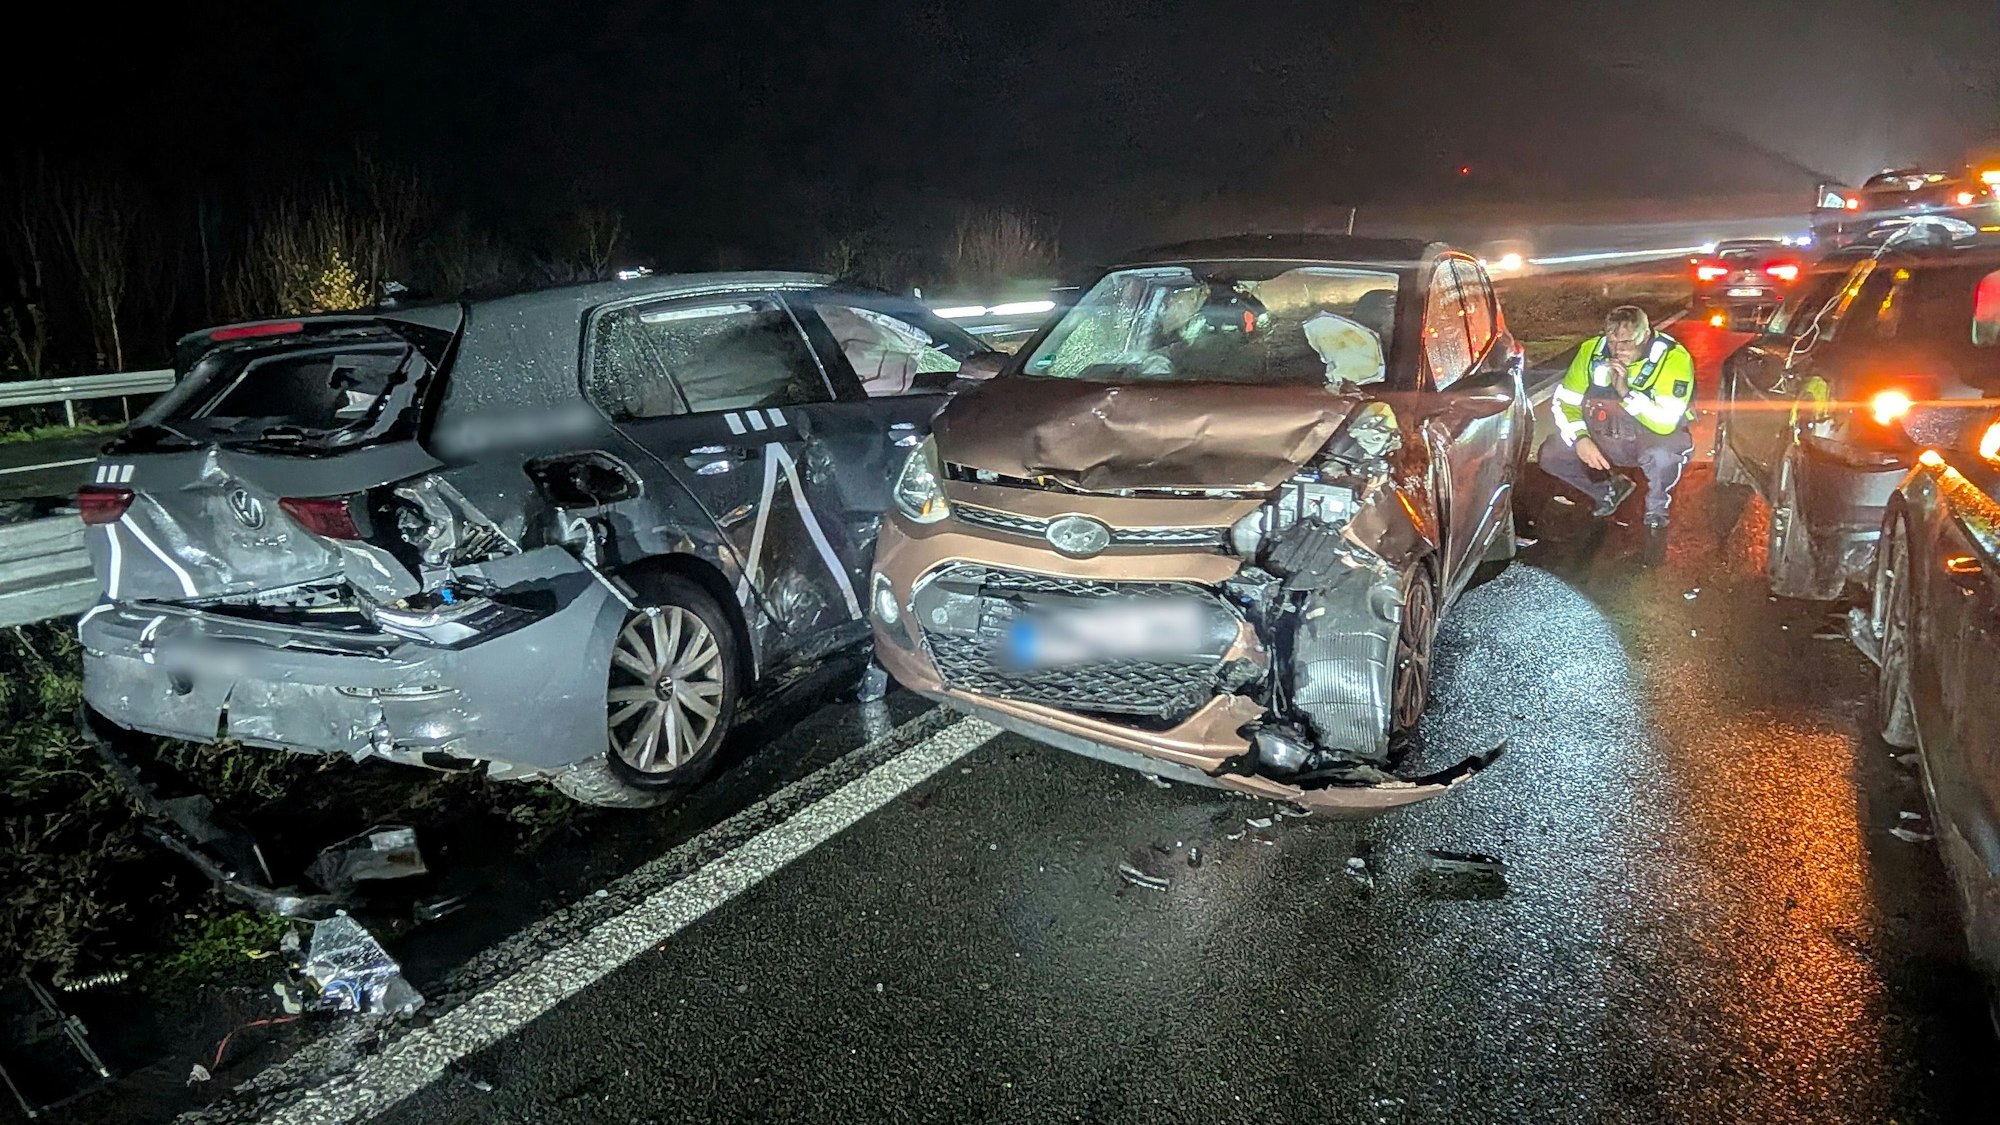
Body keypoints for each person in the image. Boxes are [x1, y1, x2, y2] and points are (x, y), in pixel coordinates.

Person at [1539, 305, 1695, 529]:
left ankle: (1657, 507)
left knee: (1663, 457)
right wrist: (1580, 438)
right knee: (1552, 454)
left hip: (1652, 436)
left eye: (1627, 343)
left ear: (1646, 335)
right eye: (1612, 342)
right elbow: (1565, 402)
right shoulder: (1591, 351)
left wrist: (1626, 393)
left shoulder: (1673, 358)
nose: (1617, 351)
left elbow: (1664, 423)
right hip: (1605, 433)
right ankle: (1609, 491)